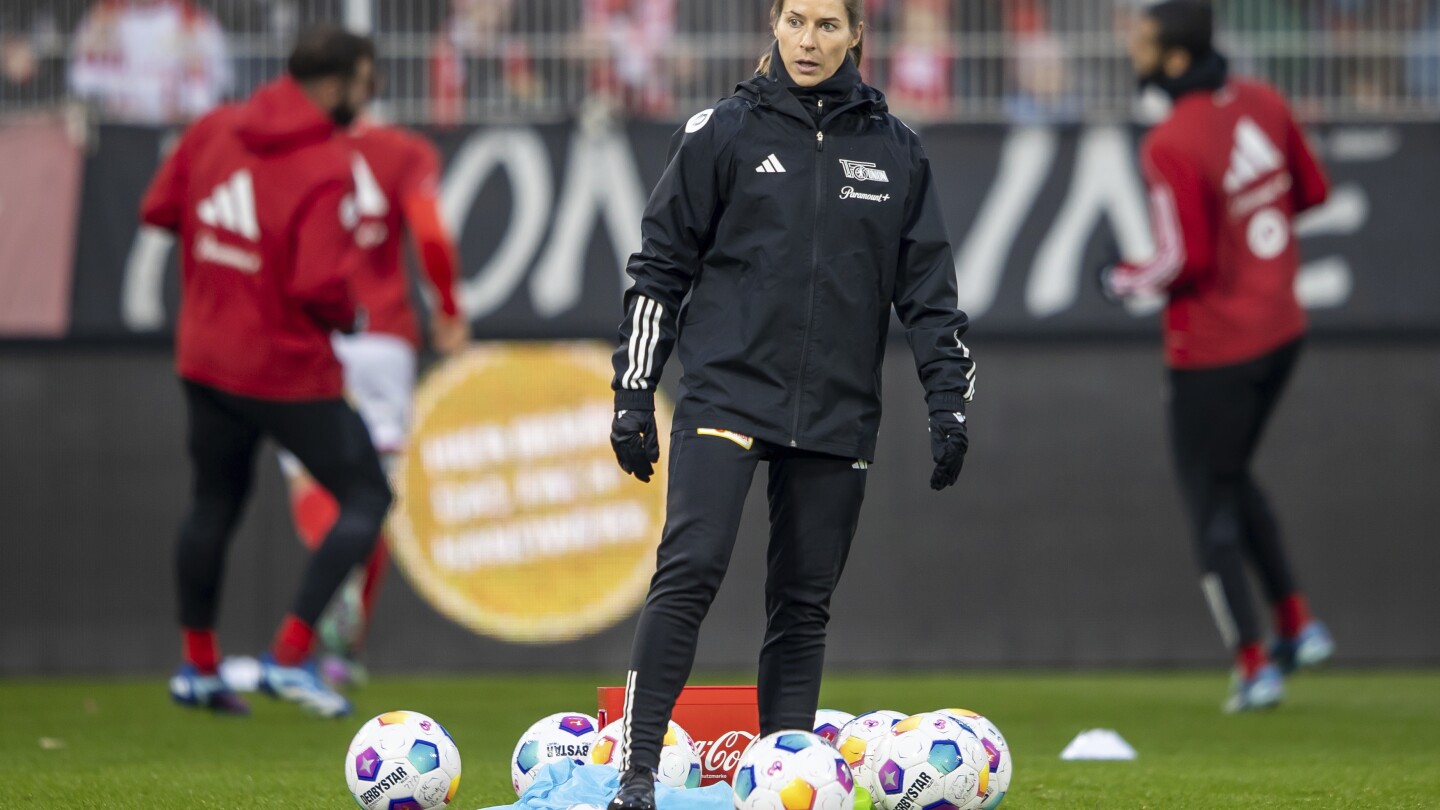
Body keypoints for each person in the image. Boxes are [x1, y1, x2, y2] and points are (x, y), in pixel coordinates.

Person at [605, 1, 976, 807]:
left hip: (838, 407)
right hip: (726, 392)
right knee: (690, 571)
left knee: (803, 606)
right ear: (773, 24)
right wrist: (634, 391)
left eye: (828, 26)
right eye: (796, 21)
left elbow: (931, 297)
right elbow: (659, 268)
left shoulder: (897, 150)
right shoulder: (720, 132)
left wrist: (948, 402)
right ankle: (636, 775)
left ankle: (783, 781)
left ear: (856, 36)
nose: (809, 42)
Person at [140, 25, 391, 718]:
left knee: (212, 504)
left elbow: (158, 209)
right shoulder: (327, 162)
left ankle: (197, 668)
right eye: (365, 83)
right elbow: (317, 284)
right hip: (282, 369)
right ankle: (288, 658)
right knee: (368, 496)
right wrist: (352, 319)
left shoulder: (213, 127)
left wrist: (224, 258)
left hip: (205, 358)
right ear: (336, 82)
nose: (366, 98)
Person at [1101, 0, 1335, 713]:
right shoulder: (1264, 100)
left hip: (1214, 347)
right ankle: (1298, 624)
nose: (1131, 48)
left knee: (1208, 502)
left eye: (1141, 40)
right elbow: (1312, 191)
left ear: (1173, 57)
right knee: (1233, 476)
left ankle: (1253, 663)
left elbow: (1186, 258)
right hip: (1283, 329)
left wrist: (1122, 277)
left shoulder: (1171, 139)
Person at [281, 99, 470, 689]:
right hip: (383, 335)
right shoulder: (403, 150)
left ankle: (333, 587)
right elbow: (431, 234)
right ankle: (346, 649)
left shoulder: (293, 151)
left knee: (312, 481)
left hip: (313, 332)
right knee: (371, 492)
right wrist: (447, 306)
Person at [69, 0, 231, 124]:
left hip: (174, 136)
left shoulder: (195, 22)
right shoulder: (101, 20)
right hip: (115, 135)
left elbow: (210, 96)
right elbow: (82, 86)